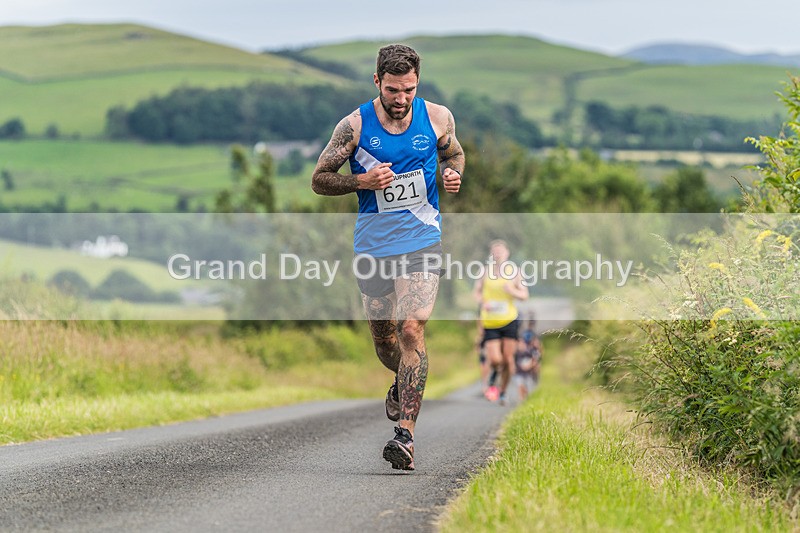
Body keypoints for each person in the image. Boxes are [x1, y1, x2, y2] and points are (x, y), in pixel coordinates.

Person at [311, 44, 464, 471]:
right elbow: (320, 180)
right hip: (374, 247)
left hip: (422, 239)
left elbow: (453, 153)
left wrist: (454, 175)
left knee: (412, 329)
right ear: (377, 81)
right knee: (385, 341)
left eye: (409, 90)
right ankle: (402, 382)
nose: (401, 99)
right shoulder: (354, 126)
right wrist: (362, 181)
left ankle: (406, 437)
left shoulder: (437, 117)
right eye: (394, 90)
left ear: (419, 82)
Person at [473, 240, 529, 405]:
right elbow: (476, 293)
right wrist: (483, 302)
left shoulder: (516, 272)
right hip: (490, 321)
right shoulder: (484, 271)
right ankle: (493, 375)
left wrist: (512, 291)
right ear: (491, 254)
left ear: (507, 253)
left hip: (509, 320)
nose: (497, 254)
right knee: (496, 360)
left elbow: (525, 295)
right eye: (494, 251)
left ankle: (503, 391)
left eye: (501, 251)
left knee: (507, 360)